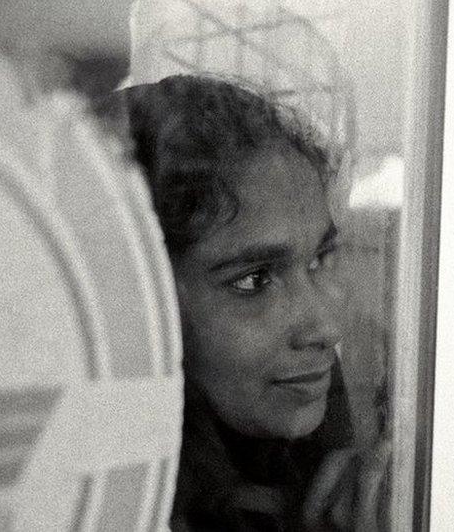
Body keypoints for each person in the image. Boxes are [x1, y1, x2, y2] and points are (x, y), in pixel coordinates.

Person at [99, 75, 389, 531]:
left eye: (320, 259)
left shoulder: (301, 454)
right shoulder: (111, 506)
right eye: (255, 280)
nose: (325, 327)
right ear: (141, 302)